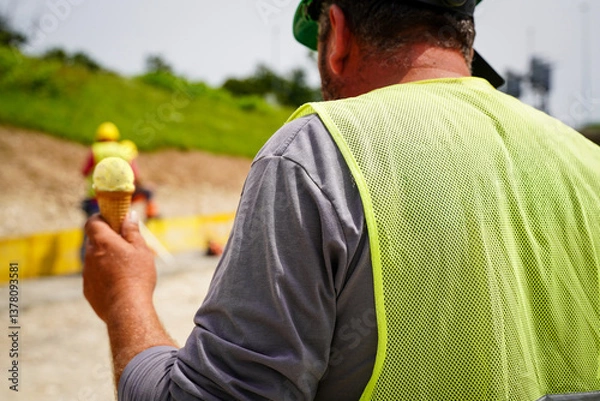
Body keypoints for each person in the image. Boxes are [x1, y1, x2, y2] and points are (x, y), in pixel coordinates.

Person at [82, 1, 600, 400]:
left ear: (338, 34)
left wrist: (125, 298)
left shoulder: (314, 154)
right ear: (463, 36)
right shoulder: (588, 164)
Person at [81, 122, 160, 221]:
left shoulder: (96, 149)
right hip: (121, 195)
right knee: (148, 192)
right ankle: (151, 216)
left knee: (93, 222)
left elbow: (85, 172)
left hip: (97, 196)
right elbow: (135, 174)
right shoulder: (123, 150)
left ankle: (86, 235)